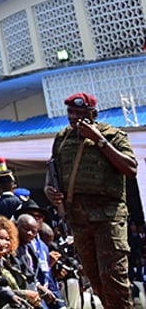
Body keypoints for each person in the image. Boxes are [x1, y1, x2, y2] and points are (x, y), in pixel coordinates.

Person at [45, 92, 137, 309]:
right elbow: (53, 172)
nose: (75, 117)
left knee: (114, 279)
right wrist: (50, 191)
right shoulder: (62, 138)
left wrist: (100, 141)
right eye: (71, 113)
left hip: (108, 218)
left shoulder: (112, 135)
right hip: (78, 219)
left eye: (81, 113)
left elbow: (131, 168)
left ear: (93, 114)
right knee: (95, 282)